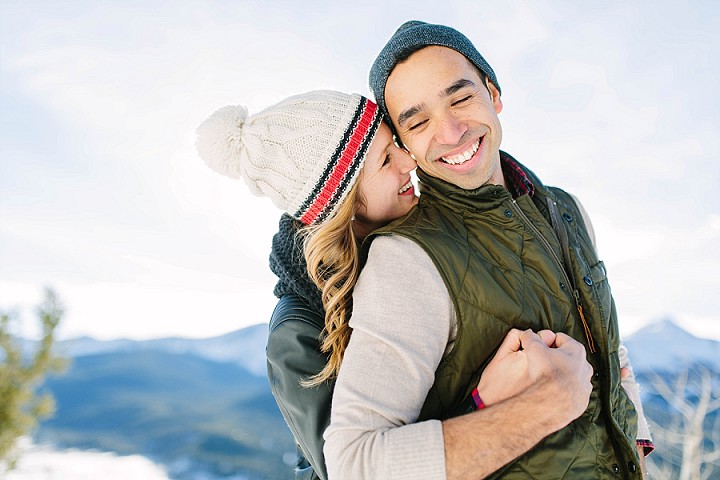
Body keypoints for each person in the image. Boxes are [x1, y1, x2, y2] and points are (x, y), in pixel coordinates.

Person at [322, 21, 653, 479]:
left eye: (460, 98)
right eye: (418, 122)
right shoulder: (408, 258)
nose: (451, 131)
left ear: (494, 95)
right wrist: (543, 407)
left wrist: (637, 441)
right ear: (405, 145)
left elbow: (611, 344)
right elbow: (355, 463)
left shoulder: (566, 209)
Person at [196, 89, 488, 479]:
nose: (408, 162)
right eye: (386, 161)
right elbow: (352, 469)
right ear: (343, 205)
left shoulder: (421, 240)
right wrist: (486, 402)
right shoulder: (298, 331)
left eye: (397, 145)